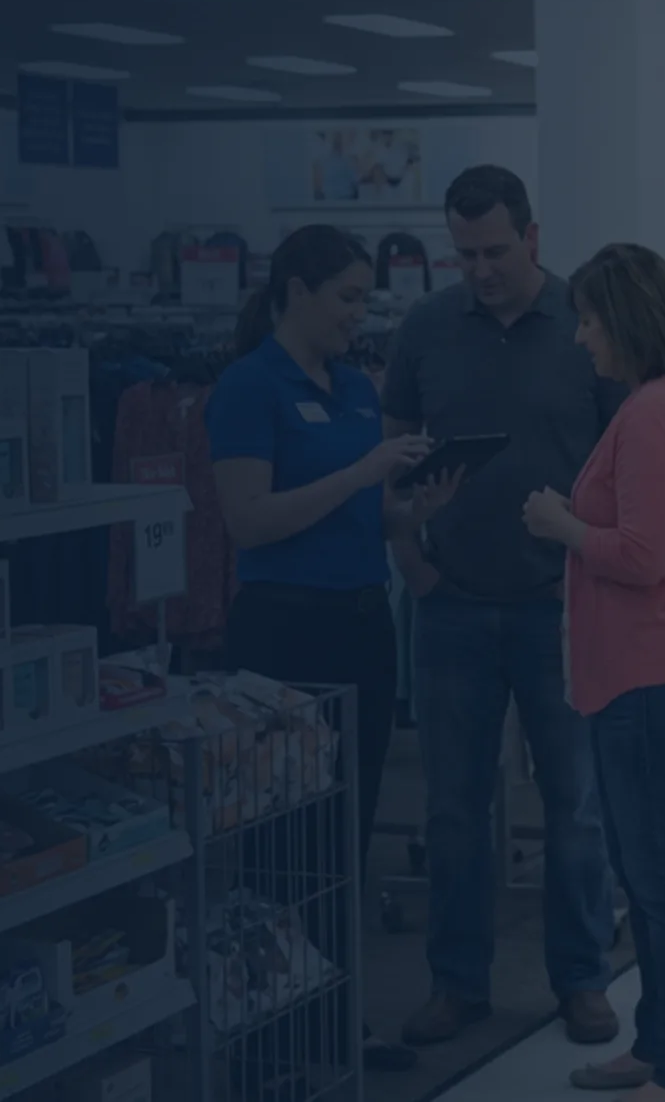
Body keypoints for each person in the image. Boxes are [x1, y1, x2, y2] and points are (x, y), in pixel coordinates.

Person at [207, 224, 463, 1072]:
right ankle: (275, 1023)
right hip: (283, 630)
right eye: (349, 297)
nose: (363, 312)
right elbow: (250, 520)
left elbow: (363, 517)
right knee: (283, 836)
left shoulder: (356, 387)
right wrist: (360, 477)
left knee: (343, 835)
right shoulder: (248, 389)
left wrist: (410, 512)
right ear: (296, 291)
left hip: (360, 623)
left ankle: (336, 1019)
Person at [383, 165, 625, 1048]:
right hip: (452, 605)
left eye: (493, 249)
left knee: (575, 803)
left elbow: (625, 458)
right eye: (463, 253)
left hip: (561, 605)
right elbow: (392, 456)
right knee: (452, 808)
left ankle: (582, 979)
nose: (480, 268)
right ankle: (458, 983)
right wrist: (409, 552)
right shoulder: (425, 328)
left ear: (531, 235)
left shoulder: (583, 324)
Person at [525, 245, 665, 1102]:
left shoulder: (652, 414)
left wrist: (559, 523)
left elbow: (643, 558)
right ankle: (659, 1046)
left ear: (627, 320)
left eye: (590, 320)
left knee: (663, 887)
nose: (580, 338)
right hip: (651, 674)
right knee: (651, 885)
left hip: (651, 677)